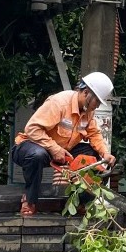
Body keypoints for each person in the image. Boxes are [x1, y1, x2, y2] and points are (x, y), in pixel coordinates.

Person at [12, 72, 116, 217]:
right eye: (97, 101)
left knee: (92, 155)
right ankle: (29, 200)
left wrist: (105, 153)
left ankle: (82, 202)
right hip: (31, 146)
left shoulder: (87, 111)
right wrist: (54, 148)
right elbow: (32, 129)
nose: (97, 106)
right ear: (86, 93)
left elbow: (94, 134)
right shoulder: (59, 103)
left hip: (63, 149)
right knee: (37, 155)